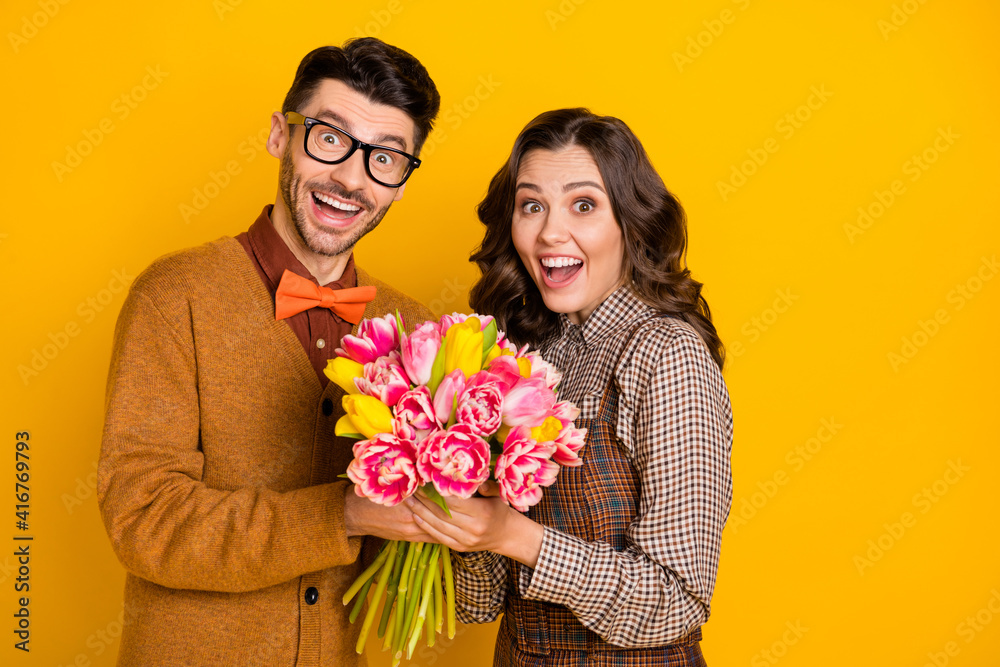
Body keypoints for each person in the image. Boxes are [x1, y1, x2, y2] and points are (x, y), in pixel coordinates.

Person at [98, 38, 444, 666]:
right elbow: (145, 520)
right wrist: (342, 513)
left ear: (402, 184)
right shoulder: (174, 296)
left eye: (386, 158)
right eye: (330, 138)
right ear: (280, 137)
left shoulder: (419, 330)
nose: (350, 177)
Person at [406, 108, 734, 666]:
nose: (550, 232)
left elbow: (677, 601)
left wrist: (515, 536)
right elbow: (480, 605)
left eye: (584, 205)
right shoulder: (524, 355)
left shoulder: (666, 355)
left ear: (630, 222)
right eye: (532, 206)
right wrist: (458, 502)